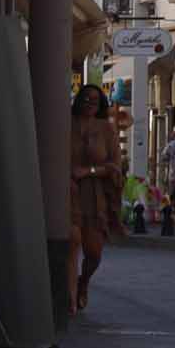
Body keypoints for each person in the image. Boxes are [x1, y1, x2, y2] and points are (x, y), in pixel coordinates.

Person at [67, 85, 124, 314]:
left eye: (95, 100)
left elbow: (115, 167)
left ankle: (84, 281)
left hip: (94, 196)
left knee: (94, 252)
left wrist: (88, 171)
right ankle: (70, 301)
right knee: (71, 242)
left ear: (100, 105)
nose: (89, 103)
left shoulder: (106, 130)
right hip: (68, 193)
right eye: (85, 98)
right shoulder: (65, 123)